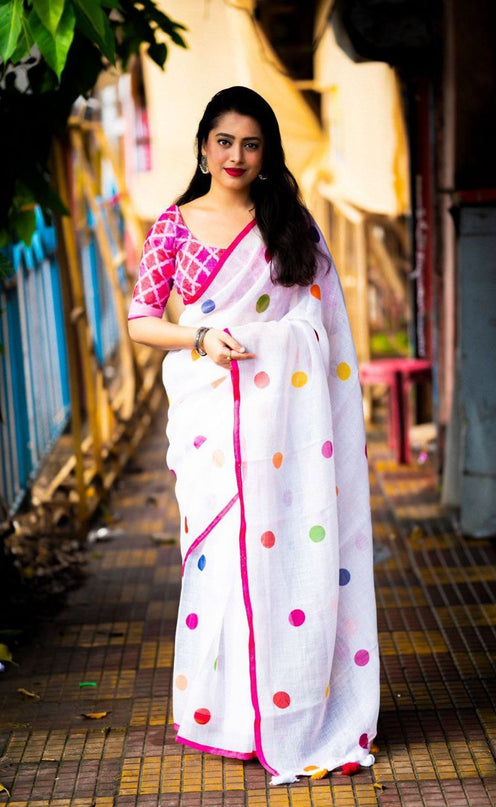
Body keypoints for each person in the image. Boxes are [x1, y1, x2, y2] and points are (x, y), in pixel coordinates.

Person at [128, 86, 380, 785]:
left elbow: (321, 324)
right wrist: (200, 338)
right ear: (203, 146)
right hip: (210, 418)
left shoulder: (289, 223)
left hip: (287, 427)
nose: (235, 155)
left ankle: (297, 708)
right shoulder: (173, 226)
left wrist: (276, 344)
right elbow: (141, 319)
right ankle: (231, 715)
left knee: (286, 552)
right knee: (222, 560)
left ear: (266, 153)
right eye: (224, 141)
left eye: (250, 143)